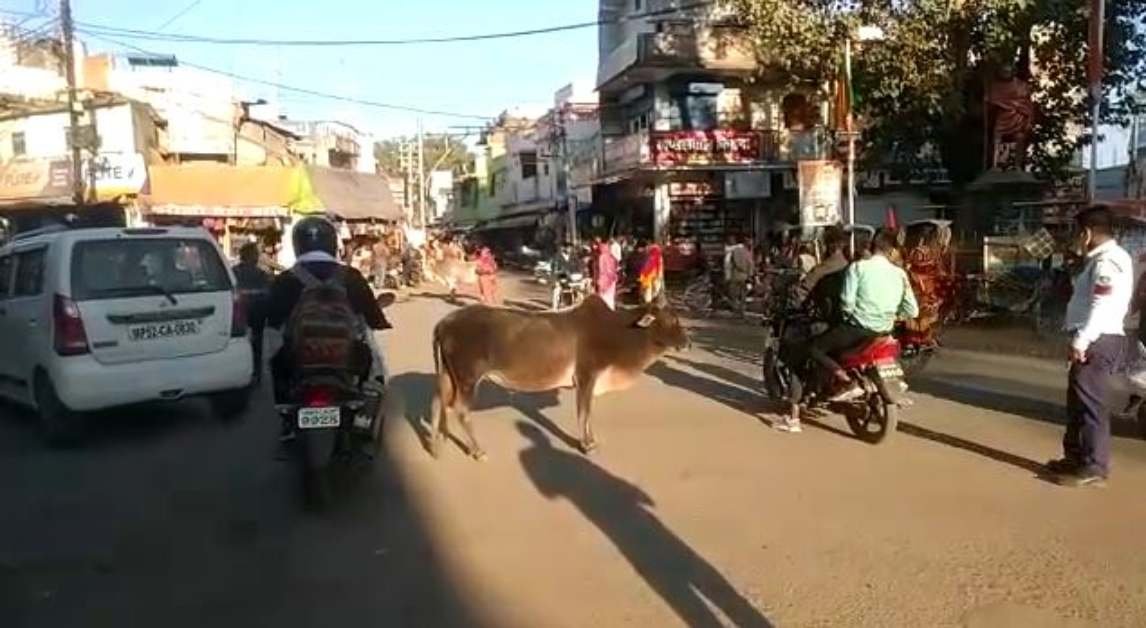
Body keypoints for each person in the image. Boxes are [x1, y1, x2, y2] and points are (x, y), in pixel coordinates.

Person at [265, 216, 391, 411]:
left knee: (272, 351)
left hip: (298, 360)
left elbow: (272, 321)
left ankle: (283, 405)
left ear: (297, 245)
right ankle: (370, 402)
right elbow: (373, 318)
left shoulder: (285, 280)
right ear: (332, 243)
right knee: (372, 352)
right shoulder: (351, 277)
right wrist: (378, 320)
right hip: (348, 358)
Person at [1046, 206, 1132, 488]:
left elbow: (1102, 305)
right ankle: (1075, 458)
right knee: (1077, 404)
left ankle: (1095, 465)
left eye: (1076, 232)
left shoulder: (1108, 262)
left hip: (1097, 339)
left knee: (1090, 406)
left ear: (1086, 233)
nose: (1075, 239)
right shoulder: (1099, 260)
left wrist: (1081, 340)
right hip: (1092, 337)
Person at [803, 229, 919, 409]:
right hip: (885, 331)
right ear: (891, 250)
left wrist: (850, 316)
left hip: (856, 329)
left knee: (814, 348)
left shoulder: (858, 268)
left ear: (872, 246)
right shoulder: (900, 273)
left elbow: (847, 302)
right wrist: (893, 315)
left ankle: (846, 379)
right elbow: (912, 310)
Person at [232, 242, 272, 383]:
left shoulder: (233, 272)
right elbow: (267, 294)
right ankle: (256, 373)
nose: (257, 256)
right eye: (255, 254)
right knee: (256, 345)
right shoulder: (261, 274)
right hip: (256, 314)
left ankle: (239, 371)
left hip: (238, 314)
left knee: (237, 344)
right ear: (252, 256)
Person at [727, 235, 755, 316]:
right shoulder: (746, 251)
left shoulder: (737, 250)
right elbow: (751, 264)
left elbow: (733, 262)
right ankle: (741, 310)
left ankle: (737, 309)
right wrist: (750, 275)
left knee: (735, 294)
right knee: (742, 294)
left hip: (737, 274)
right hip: (743, 275)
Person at [595, 238, 619, 310]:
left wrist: (600, 281)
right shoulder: (611, 256)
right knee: (610, 298)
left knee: (604, 299)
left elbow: (603, 270)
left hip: (605, 280)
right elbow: (615, 266)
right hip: (612, 280)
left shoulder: (602, 257)